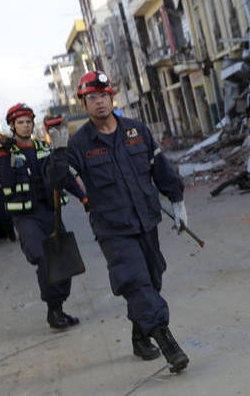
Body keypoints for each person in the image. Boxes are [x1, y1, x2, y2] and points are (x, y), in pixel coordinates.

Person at [45, 70, 190, 373]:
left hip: (146, 221)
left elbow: (159, 168)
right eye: (92, 97)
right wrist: (57, 151)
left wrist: (177, 200)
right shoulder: (79, 143)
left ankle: (140, 337)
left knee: (152, 281)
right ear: (84, 103)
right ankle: (168, 344)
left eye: (103, 95)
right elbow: (57, 181)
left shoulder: (137, 130)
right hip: (113, 229)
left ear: (112, 97)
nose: (99, 102)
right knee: (134, 281)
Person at [0, 104, 86, 329]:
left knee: (64, 260)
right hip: (26, 217)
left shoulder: (44, 147)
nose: (26, 126)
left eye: (28, 121)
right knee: (44, 258)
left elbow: (62, 174)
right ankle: (53, 310)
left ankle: (58, 308)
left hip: (49, 211)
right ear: (12, 126)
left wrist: (83, 197)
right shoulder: (5, 152)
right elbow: (3, 183)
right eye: (20, 122)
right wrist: (1, 155)